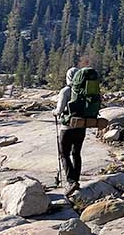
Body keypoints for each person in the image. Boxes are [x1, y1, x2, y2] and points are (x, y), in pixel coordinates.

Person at [53, 67, 85, 195]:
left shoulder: (66, 90)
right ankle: (76, 180)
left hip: (67, 127)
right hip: (82, 126)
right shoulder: (84, 90)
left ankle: (71, 181)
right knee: (76, 154)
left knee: (64, 154)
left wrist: (54, 112)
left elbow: (59, 110)